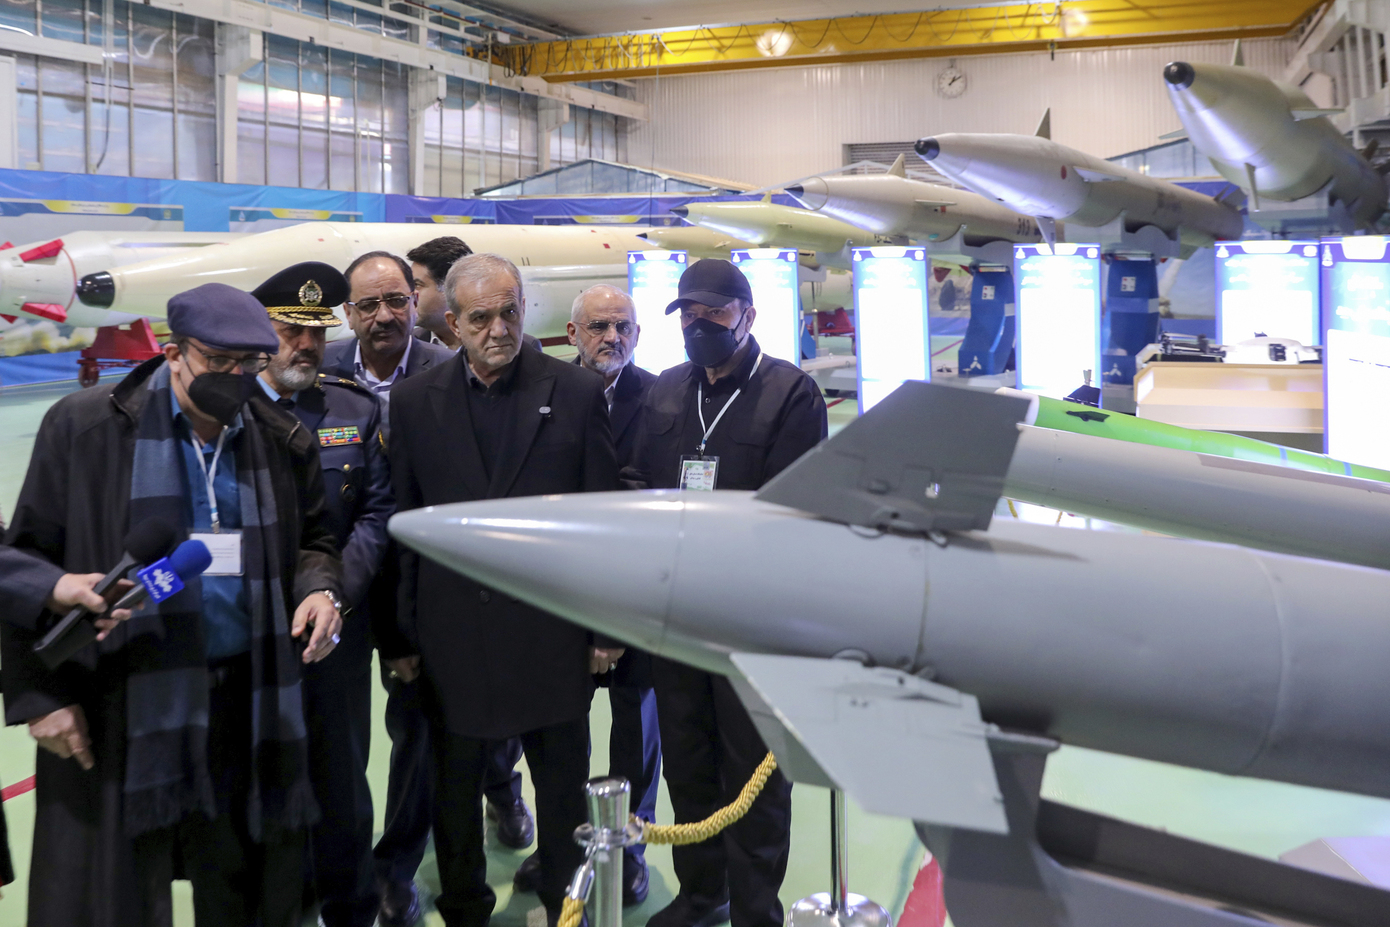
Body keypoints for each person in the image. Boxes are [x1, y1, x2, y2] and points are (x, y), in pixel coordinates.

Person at [1, 282, 344, 927]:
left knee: (243, 891)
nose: (234, 377)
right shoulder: (85, 428)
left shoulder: (280, 436)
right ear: (173, 352)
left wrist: (320, 589)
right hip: (123, 702)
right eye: (218, 360)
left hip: (246, 701)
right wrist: (39, 699)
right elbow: (20, 563)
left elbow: (316, 540)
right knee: (118, 896)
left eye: (249, 362)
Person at [389, 252, 622, 927]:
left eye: (510, 312)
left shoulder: (576, 392)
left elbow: (603, 519)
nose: (499, 328)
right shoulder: (414, 402)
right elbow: (404, 522)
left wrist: (605, 628)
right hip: (451, 636)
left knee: (562, 793)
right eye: (481, 318)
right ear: (453, 324)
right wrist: (399, 636)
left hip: (551, 632)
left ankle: (567, 906)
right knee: (454, 791)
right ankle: (465, 907)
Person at [321, 250, 534, 927]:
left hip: (430, 579)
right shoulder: (319, 367)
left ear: (418, 304)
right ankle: (366, 863)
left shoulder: (452, 369)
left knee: (429, 726)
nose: (384, 315)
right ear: (349, 313)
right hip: (348, 574)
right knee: (358, 735)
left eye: (397, 300)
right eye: (368, 304)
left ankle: (402, 862)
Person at [626, 259, 827, 927]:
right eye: (688, 313)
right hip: (677, 616)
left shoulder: (791, 394)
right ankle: (701, 893)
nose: (698, 325)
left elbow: (796, 516)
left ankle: (755, 911)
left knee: (754, 778)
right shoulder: (665, 390)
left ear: (748, 316)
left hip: (750, 622)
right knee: (688, 763)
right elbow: (638, 482)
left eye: (713, 312)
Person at [252, 262, 394, 927]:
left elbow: (375, 513)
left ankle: (351, 904)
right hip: (250, 633)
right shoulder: (228, 409)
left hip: (334, 631)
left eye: (315, 332)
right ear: (262, 332)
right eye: (290, 331)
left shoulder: (352, 409)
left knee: (340, 775)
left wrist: (335, 595)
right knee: (259, 775)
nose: (305, 345)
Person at [515, 284, 659, 905]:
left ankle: (628, 849)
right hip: (560, 589)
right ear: (572, 334)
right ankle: (562, 845)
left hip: (633, 588)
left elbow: (656, 486)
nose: (612, 337)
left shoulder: (661, 397)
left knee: (635, 727)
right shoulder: (540, 392)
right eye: (599, 326)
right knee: (556, 731)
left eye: (623, 326)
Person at [408, 236, 472, 350]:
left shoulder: (494, 340)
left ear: (451, 288)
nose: (409, 294)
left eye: (417, 285)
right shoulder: (407, 345)